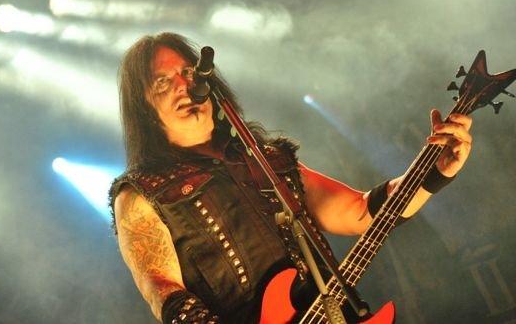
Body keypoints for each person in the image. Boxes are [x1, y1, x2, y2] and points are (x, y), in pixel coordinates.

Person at [109, 32, 473, 323]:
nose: (182, 86)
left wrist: (435, 172)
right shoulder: (143, 193)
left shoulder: (267, 160)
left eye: (188, 73)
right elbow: (163, 291)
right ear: (144, 108)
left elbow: (362, 211)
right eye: (162, 82)